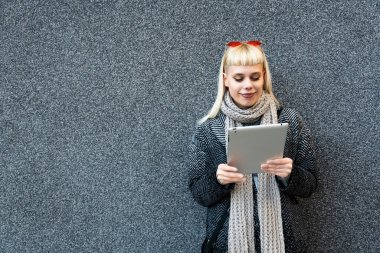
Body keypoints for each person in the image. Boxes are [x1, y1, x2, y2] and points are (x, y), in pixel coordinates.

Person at [188, 40, 317, 253]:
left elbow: (310, 184)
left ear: (264, 76)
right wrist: (218, 180)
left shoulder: (290, 121)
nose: (248, 85)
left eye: (254, 77)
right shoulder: (209, 130)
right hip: (226, 244)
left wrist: (290, 174)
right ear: (226, 80)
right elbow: (199, 194)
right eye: (239, 78)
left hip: (285, 243)